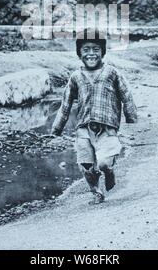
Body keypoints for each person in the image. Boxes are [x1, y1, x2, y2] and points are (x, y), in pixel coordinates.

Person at [51, 29, 137, 205]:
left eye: (96, 49)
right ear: (79, 53)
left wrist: (131, 117)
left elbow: (126, 94)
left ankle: (109, 172)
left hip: (107, 126)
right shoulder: (75, 77)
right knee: (86, 166)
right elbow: (65, 103)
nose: (91, 53)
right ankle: (96, 192)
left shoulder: (111, 73)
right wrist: (57, 128)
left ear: (102, 52)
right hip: (83, 127)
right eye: (86, 49)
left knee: (104, 163)